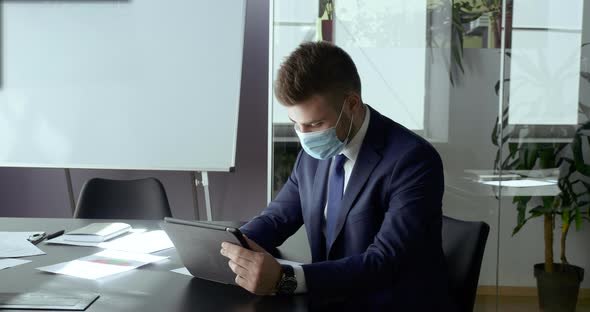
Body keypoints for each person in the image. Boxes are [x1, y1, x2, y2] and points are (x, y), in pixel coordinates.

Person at [220, 41, 453, 310]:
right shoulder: (313, 155)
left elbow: (386, 260)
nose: (306, 135)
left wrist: (286, 278)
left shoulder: (412, 160)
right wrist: (232, 247)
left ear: (352, 104)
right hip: (330, 299)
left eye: (316, 123)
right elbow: (277, 218)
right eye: (297, 124)